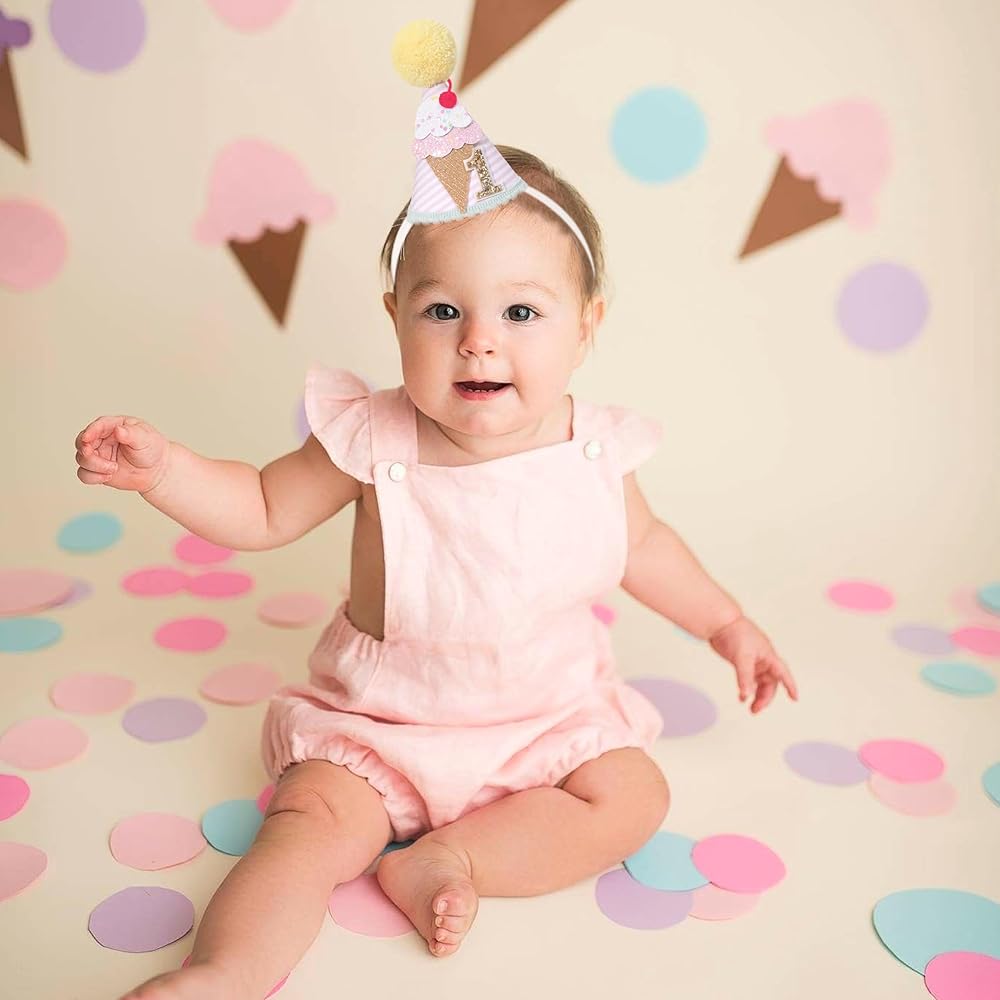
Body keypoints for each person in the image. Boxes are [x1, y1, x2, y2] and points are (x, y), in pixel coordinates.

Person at [74, 22, 797, 1000]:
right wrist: (166, 471)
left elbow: (647, 546)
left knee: (633, 796)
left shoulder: (593, 450)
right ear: (396, 317)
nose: (478, 342)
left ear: (586, 327)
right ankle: (226, 971)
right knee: (306, 827)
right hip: (382, 727)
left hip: (545, 720)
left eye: (521, 312)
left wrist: (725, 622)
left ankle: (451, 860)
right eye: (443, 310)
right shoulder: (375, 435)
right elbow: (261, 506)